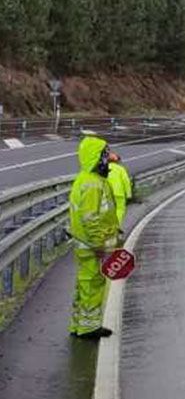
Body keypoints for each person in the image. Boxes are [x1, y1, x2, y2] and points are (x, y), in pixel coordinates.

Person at [68, 136, 121, 339]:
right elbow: (91, 218)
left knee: (84, 284)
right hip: (92, 245)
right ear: (97, 158)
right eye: (105, 156)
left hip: (85, 243)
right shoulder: (93, 184)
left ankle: (78, 324)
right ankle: (89, 328)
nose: (109, 161)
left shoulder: (86, 180)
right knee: (92, 284)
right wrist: (100, 243)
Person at [107, 151, 133, 225]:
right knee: (120, 209)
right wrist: (129, 194)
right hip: (119, 193)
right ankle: (117, 225)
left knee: (108, 210)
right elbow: (126, 182)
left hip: (107, 193)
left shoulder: (104, 168)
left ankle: (109, 225)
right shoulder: (120, 169)